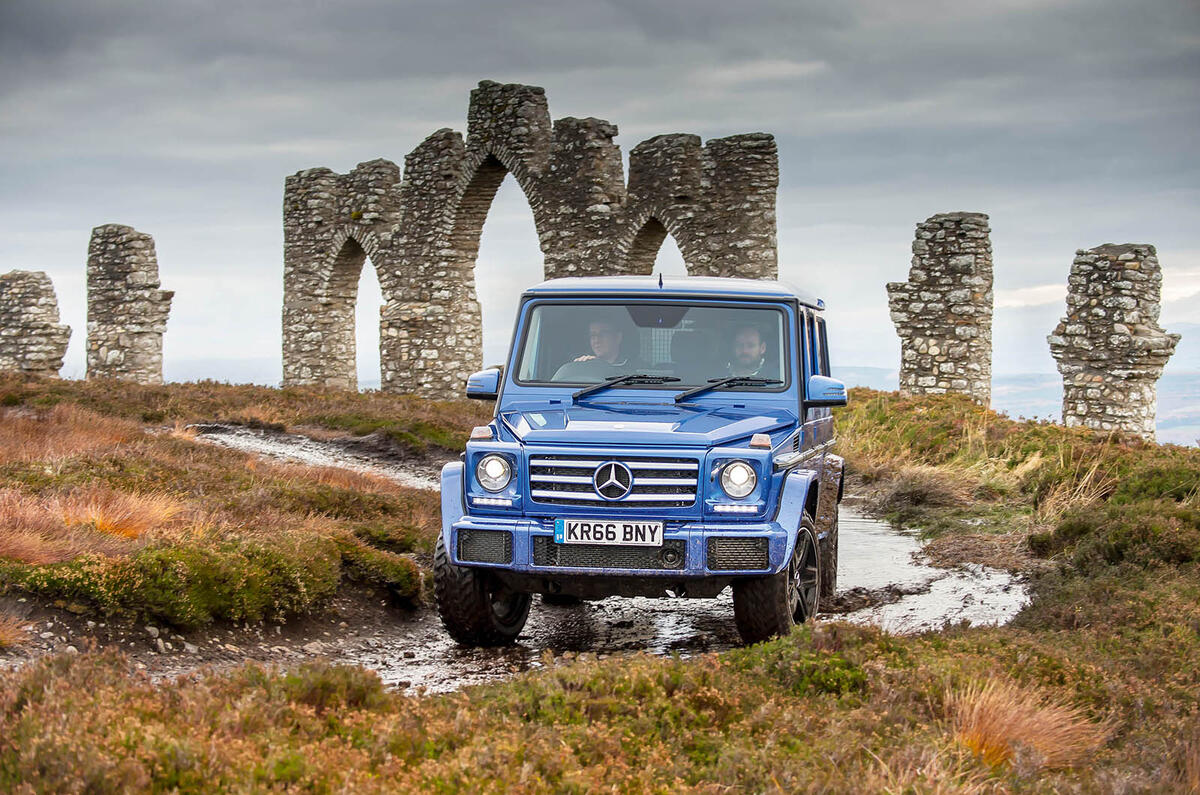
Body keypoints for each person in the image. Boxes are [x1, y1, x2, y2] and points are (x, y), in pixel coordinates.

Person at [552, 317, 641, 381]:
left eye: (603, 334)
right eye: (593, 335)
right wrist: (578, 367)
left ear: (618, 337)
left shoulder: (637, 366)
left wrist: (601, 365)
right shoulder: (583, 364)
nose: (596, 340)